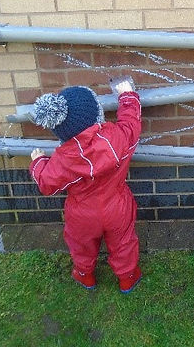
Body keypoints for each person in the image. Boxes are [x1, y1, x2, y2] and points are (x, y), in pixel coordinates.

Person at [29, 78, 142, 293]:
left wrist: (38, 162)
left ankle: (84, 274)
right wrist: (126, 95)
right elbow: (131, 124)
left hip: (81, 213)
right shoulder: (115, 140)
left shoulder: (63, 159)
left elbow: (46, 183)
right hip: (117, 206)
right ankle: (127, 277)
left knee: (81, 245)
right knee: (123, 242)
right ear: (97, 114)